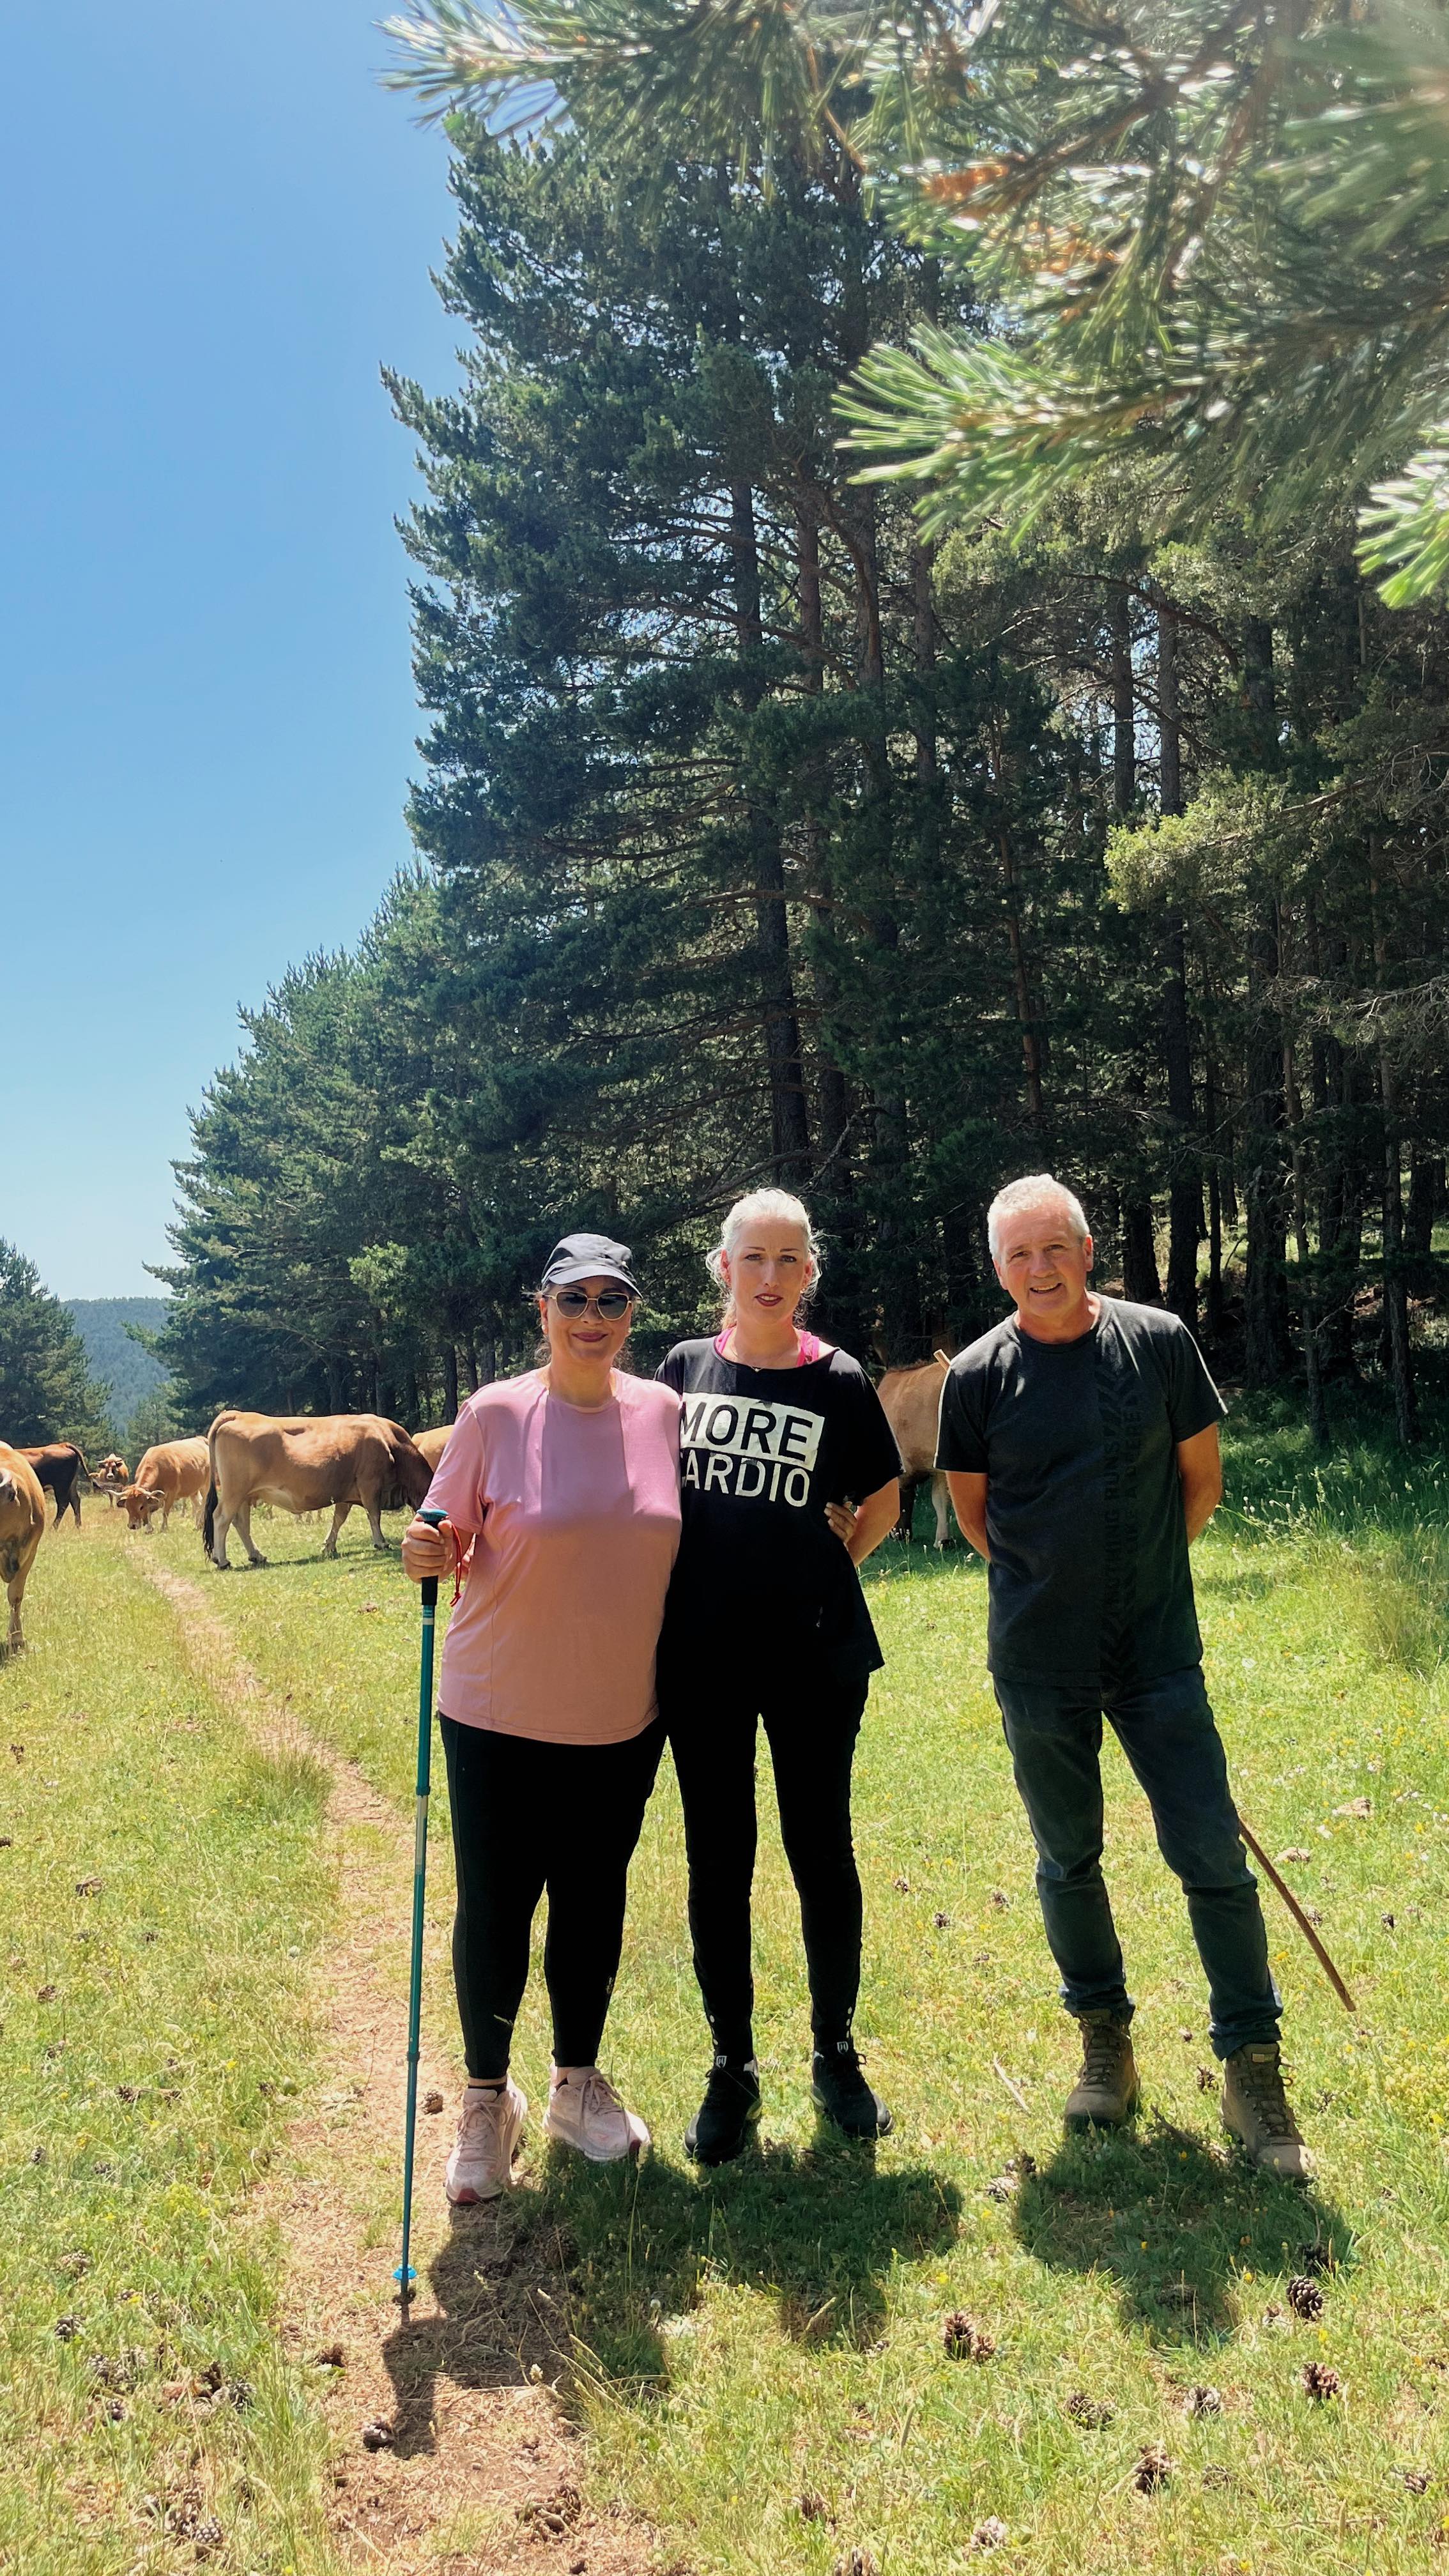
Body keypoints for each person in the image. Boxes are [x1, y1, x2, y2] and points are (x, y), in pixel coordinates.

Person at [937, 1173, 1310, 2177]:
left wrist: (1131, 1582)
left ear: (1088, 1248)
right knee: (1069, 1860)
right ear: (997, 1266)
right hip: (1037, 1663)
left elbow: (1203, 1484)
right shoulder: (975, 1376)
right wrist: (1058, 1593)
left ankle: (1252, 2065)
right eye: (1018, 1254)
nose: (1039, 1267)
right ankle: (1106, 2043)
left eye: (1054, 1246)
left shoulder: (1157, 1341)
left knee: (1210, 1856)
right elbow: (980, 1521)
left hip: (1156, 1653)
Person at [402, 1233, 681, 2202]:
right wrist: (426, 1547)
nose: (594, 1318)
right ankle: (487, 2100)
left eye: (613, 1301)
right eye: (575, 1301)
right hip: (494, 1713)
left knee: (594, 1905)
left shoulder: (664, 1413)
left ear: (632, 1315)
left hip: (620, 1716)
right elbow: (440, 1528)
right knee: (495, 1905)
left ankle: (575, 2083)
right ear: (544, 1311)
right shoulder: (494, 1414)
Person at [656, 1188, 902, 2164]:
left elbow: (881, 1497)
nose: (770, 1276)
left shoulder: (840, 1379)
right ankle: (732, 2067)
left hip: (814, 1654)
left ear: (809, 1273)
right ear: (724, 1269)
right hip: (702, 1657)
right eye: (752, 1258)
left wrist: (839, 1557)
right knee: (720, 1860)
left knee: (819, 1848)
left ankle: (835, 2053)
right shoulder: (680, 1371)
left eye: (788, 1260)